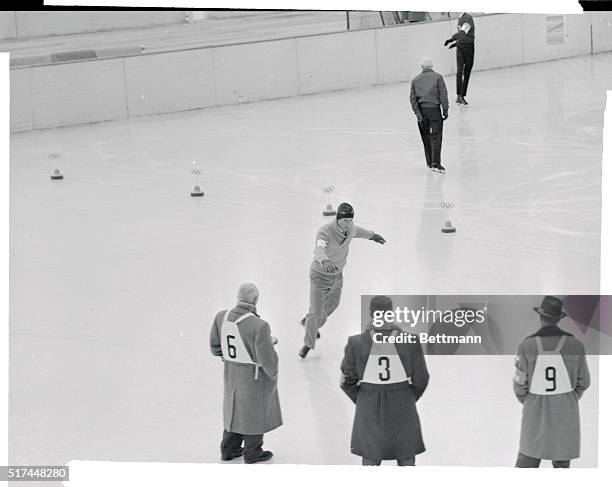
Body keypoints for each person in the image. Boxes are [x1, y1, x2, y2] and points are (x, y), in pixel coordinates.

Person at [340, 295, 429, 466]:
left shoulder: (355, 343)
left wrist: (363, 399)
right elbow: (421, 379)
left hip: (369, 402)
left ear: (371, 314)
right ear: (391, 313)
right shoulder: (410, 342)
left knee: (371, 455)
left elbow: (346, 381)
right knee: (405, 453)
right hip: (402, 402)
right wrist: (407, 397)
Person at [299, 203, 386, 359]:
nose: (348, 224)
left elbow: (361, 232)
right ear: (338, 218)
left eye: (350, 220)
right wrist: (324, 260)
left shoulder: (351, 228)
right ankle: (308, 344)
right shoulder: (324, 232)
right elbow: (319, 249)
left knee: (332, 305)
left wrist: (374, 236)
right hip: (319, 275)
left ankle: (311, 324)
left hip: (337, 276)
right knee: (316, 311)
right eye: (345, 220)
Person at [513, 295, 591, 468]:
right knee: (562, 470)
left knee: (525, 466)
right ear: (558, 319)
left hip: (534, 414)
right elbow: (584, 381)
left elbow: (519, 384)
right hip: (566, 413)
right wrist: (568, 399)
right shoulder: (576, 345)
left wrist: (531, 400)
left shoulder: (526, 346)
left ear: (540, 316)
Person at [210, 283, 282, 464]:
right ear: (255, 300)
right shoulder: (260, 326)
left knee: (233, 409)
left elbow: (215, 346)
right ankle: (253, 452)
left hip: (231, 371)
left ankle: (229, 449)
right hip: (253, 375)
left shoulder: (221, 317)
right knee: (253, 411)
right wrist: (273, 373)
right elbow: (267, 359)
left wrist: (230, 360)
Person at [410, 57, 449, 172]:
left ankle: (430, 163)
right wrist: (445, 110)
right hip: (434, 111)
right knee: (436, 137)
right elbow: (443, 95)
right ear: (431, 67)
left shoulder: (415, 80)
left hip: (422, 111)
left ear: (422, 67)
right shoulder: (438, 77)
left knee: (426, 137)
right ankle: (436, 163)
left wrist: (418, 113)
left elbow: (412, 99)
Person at [444, 12, 475, 105]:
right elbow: (462, 34)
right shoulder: (460, 17)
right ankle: (460, 96)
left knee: (465, 71)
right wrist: (456, 43)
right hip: (462, 47)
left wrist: (452, 39)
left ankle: (461, 95)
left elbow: (463, 32)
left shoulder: (468, 18)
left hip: (467, 47)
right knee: (461, 71)